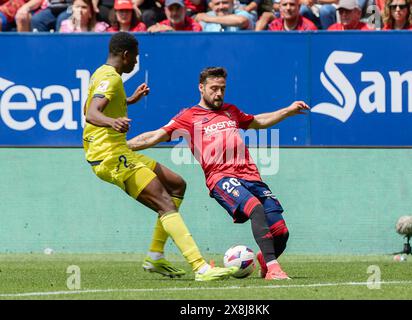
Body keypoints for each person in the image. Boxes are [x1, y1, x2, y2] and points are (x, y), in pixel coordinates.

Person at [127, 67, 311, 280]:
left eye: (222, 89)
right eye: (214, 88)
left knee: (280, 231)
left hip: (251, 176)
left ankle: (263, 260)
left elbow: (258, 121)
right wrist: (124, 146)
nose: (219, 94)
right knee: (255, 208)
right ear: (201, 88)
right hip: (220, 178)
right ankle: (273, 269)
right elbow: (154, 136)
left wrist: (287, 110)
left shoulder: (231, 110)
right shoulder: (188, 117)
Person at [83, 33, 237, 281]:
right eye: (135, 55)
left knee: (177, 184)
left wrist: (130, 100)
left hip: (116, 151)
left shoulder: (102, 73)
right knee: (164, 203)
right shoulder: (110, 79)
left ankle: (155, 256)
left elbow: (91, 105)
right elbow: (91, 113)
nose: (136, 61)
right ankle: (200, 267)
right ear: (125, 55)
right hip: (109, 155)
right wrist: (113, 121)